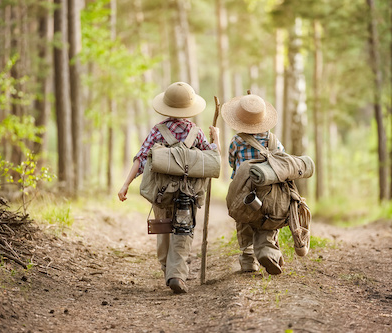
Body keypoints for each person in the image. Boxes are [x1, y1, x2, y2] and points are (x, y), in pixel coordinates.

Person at [118, 82, 220, 294]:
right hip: (187, 194)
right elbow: (212, 160)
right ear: (189, 109)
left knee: (163, 229)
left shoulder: (158, 131)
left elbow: (141, 158)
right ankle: (176, 275)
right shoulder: (197, 133)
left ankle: (167, 267)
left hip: (161, 192)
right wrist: (216, 138)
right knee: (183, 232)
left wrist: (126, 184)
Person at [221, 93, 286, 274]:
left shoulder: (237, 141)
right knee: (268, 220)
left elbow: (233, 164)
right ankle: (267, 251)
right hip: (270, 191)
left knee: (244, 221)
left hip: (245, 191)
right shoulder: (274, 141)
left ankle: (249, 258)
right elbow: (281, 162)